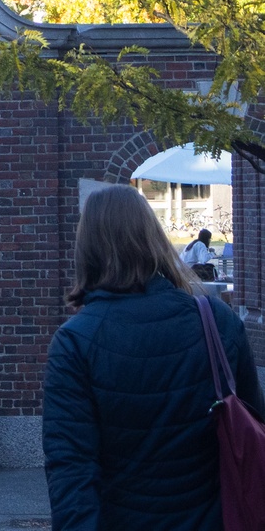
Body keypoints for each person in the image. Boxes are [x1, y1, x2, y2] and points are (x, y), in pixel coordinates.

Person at [43, 184, 263, 530]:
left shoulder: (74, 343)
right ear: (154, 239)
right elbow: (253, 422)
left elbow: (71, 471)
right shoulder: (215, 320)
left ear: (86, 249)